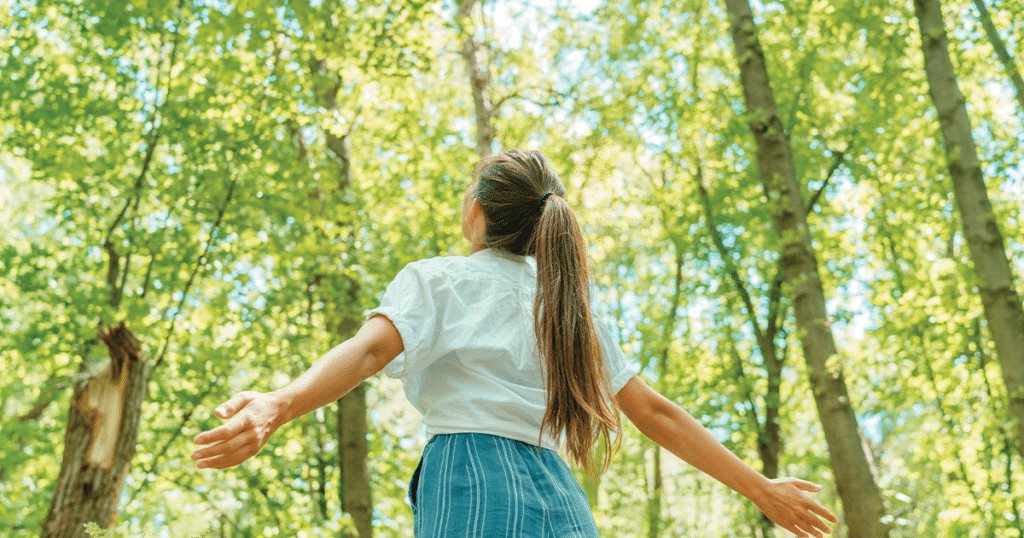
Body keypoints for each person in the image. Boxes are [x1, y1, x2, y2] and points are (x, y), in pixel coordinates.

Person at [192, 149, 839, 537]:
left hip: (471, 481)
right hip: (561, 498)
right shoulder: (567, 308)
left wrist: (278, 403)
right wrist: (759, 488)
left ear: (477, 208)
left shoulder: (440, 280)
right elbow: (655, 413)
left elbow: (368, 352)